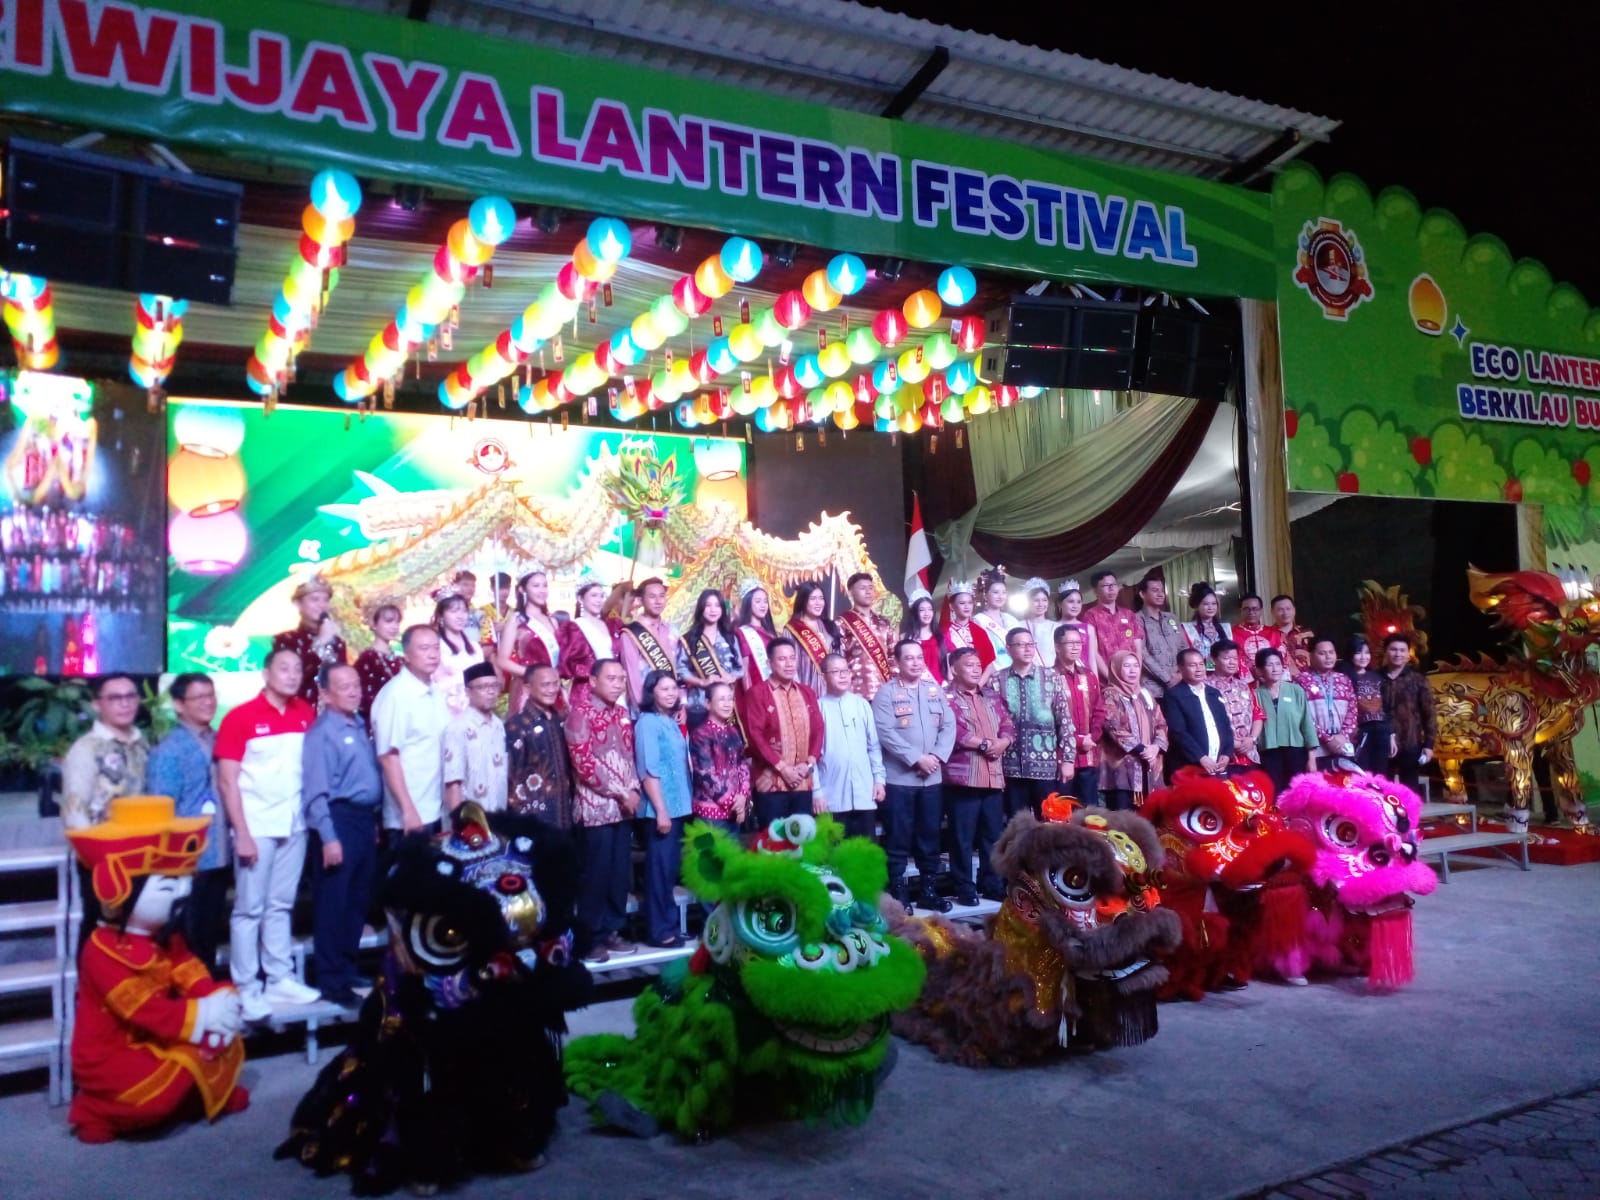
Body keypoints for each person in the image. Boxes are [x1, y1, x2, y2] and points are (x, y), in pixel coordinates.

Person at [215, 646, 319, 1019]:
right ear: (266, 673)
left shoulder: (306, 713)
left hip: (295, 823)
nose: (292, 675)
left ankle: (279, 978)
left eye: (297, 669)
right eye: (284, 668)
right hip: (255, 825)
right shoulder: (240, 718)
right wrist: (241, 832)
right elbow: (227, 781)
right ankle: (246, 986)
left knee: (281, 904)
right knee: (249, 909)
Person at [300, 662, 382, 1009]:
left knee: (356, 900)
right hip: (338, 821)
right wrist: (329, 837)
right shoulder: (322, 733)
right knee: (333, 903)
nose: (353, 691)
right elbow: (315, 792)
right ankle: (331, 980)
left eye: (356, 684)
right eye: (344, 686)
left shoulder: (358, 723)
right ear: (326, 693)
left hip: (363, 820)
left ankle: (348, 969)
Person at [144, 672, 229, 974]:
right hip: (188, 858)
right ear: (179, 705)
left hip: (219, 851)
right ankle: (187, 994)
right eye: (199, 697)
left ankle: (205, 988)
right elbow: (161, 808)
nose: (208, 702)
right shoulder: (170, 749)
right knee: (186, 935)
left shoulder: (218, 738)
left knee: (210, 930)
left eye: (211, 695)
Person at [872, 639, 956, 914]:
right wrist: (916, 758)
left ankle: (928, 891)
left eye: (919, 657)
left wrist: (936, 757)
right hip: (900, 780)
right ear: (897, 662)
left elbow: (949, 725)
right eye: (909, 658)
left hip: (931, 779)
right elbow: (884, 731)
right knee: (898, 837)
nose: (916, 662)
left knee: (929, 836)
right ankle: (899, 894)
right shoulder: (886, 693)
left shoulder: (934, 690)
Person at [565, 659, 641, 963]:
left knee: (618, 874)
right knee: (594, 876)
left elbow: (629, 757)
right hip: (595, 809)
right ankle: (590, 938)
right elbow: (584, 764)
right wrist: (621, 793)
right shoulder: (579, 714)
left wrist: (633, 790)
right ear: (593, 681)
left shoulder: (622, 714)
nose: (618, 684)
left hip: (623, 810)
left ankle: (612, 930)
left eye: (621, 678)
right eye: (611, 678)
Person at [942, 647, 1012, 904]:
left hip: (993, 776)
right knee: (962, 837)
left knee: (993, 835)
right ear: (954, 669)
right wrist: (983, 744)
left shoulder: (991, 695)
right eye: (969, 664)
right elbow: (952, 729)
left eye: (978, 664)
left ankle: (991, 883)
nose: (975, 669)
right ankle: (964, 887)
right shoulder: (945, 697)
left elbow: (1007, 723)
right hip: (964, 778)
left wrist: (1003, 742)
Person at [370, 624, 450, 838]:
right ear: (406, 654)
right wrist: (408, 810)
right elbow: (388, 756)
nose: (432, 654)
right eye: (424, 648)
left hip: (436, 807)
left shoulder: (434, 691)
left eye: (436, 647)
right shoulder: (396, 695)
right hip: (408, 815)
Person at [634, 671, 692, 949]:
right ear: (651, 692)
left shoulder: (669, 720)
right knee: (659, 872)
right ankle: (658, 931)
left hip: (679, 807)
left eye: (673, 688)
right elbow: (648, 770)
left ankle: (670, 925)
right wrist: (661, 810)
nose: (670, 693)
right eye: (664, 689)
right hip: (660, 809)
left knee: (669, 871)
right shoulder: (647, 722)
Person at [741, 636, 825, 825]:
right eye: (782, 659)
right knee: (773, 840)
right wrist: (783, 768)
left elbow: (818, 729)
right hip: (771, 785)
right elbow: (755, 736)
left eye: (792, 658)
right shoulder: (757, 693)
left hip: (803, 781)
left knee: (802, 839)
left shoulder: (807, 692)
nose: (789, 664)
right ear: (769, 663)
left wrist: (809, 763)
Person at [993, 626, 1075, 818]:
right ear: (1009, 648)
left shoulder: (1051, 677)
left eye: (1031, 644)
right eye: (1021, 645)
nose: (1028, 649)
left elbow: (1065, 720)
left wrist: (1068, 759)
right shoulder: (997, 680)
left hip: (1045, 767)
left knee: (1049, 822)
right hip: (1010, 767)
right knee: (1017, 823)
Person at [816, 653, 886, 840]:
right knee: (835, 851)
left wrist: (879, 779)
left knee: (865, 850)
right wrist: (816, 791)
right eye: (836, 672)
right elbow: (812, 756)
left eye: (845, 671)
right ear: (824, 677)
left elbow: (873, 747)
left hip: (864, 792)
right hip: (831, 795)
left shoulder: (862, 705)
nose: (843, 676)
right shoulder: (817, 708)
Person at [505, 664, 575, 826]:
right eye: (545, 685)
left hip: (564, 814)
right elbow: (511, 777)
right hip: (534, 820)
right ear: (528, 688)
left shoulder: (560, 720)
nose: (552, 690)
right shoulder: (517, 726)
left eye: (555, 684)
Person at [1099, 648, 1167, 810]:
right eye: (1127, 666)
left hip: (1149, 765)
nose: (1132, 670)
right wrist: (1142, 749)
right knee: (1123, 820)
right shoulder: (1110, 695)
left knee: (1151, 817)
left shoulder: (1146, 695)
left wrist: (1155, 747)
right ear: (1116, 668)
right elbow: (1112, 726)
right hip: (1122, 770)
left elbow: (1161, 724)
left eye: (1136, 666)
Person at [442, 661, 508, 814]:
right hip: (472, 819)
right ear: (468, 691)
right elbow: (453, 783)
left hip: (498, 816)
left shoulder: (499, 726)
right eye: (483, 687)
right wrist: (460, 822)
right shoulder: (457, 728)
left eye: (494, 686)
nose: (491, 692)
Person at [272, 576, 348, 708]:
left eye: (325, 600)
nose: (321, 605)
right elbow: (292, 678)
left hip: (333, 714)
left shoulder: (337, 642)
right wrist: (320, 642)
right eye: (314, 599)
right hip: (299, 711)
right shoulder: (286, 640)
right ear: (298, 604)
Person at [1252, 648, 1318, 795]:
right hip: (1268, 752)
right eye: (1269, 665)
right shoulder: (1254, 694)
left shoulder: (1296, 690)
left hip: (1296, 751)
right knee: (1274, 792)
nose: (1275, 668)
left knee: (1297, 792)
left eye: (1278, 664)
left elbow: (1307, 723)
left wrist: (1312, 758)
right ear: (1260, 670)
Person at [687, 682, 750, 834]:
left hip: (735, 811)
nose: (727, 704)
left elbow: (742, 765)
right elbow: (705, 775)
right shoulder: (701, 734)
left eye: (730, 699)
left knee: (733, 850)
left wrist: (743, 796)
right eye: (722, 699)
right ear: (708, 703)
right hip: (710, 813)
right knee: (710, 850)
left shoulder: (733, 731)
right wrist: (734, 804)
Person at [1161, 648, 1233, 778]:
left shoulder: (1213, 693)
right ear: (1181, 668)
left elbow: (1226, 726)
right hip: (1189, 766)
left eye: (1201, 664)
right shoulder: (1173, 695)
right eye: (1192, 665)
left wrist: (1227, 753)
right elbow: (1177, 732)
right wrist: (1200, 757)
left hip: (1218, 764)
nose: (1199, 669)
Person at [1054, 625, 1105, 808]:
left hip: (1088, 755)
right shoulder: (1049, 677)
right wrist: (1078, 740)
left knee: (1090, 812)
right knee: (1061, 812)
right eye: (1070, 643)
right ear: (1057, 646)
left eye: (1079, 642)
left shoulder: (1089, 675)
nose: (1076, 647)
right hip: (1061, 758)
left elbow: (1099, 710)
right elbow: (1049, 721)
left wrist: (1092, 737)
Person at [497, 569, 560, 713]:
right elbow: (502, 660)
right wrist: (534, 675)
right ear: (522, 589)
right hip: (527, 687)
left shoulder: (553, 621)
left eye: (544, 585)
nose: (542, 590)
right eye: (536, 586)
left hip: (552, 687)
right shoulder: (516, 620)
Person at [1382, 633, 1437, 792]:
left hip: (1410, 742)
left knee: (1410, 790)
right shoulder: (1375, 678)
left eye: (1402, 650)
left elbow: (1429, 713)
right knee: (1382, 789)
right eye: (1393, 649)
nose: (1397, 654)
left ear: (1408, 654)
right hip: (1382, 742)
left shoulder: (1418, 680)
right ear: (1386, 651)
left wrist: (1429, 744)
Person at [620, 577, 683, 712]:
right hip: (646, 707)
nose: (658, 601)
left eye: (661, 596)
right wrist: (642, 708)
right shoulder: (631, 632)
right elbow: (632, 675)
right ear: (641, 600)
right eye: (652, 597)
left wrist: (681, 704)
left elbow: (679, 670)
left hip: (672, 706)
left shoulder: (672, 630)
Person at [678, 588, 742, 712]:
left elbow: (740, 669)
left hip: (726, 705)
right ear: (701, 608)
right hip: (698, 704)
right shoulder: (689, 639)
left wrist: (731, 677)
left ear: (722, 609)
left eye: (717, 605)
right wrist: (702, 682)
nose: (713, 610)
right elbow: (680, 670)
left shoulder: (730, 637)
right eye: (708, 605)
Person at [559, 577, 621, 700]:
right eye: (594, 596)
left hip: (614, 687)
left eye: (601, 596)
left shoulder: (611, 625)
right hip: (586, 691)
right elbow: (565, 665)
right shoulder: (573, 628)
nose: (599, 600)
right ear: (580, 598)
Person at [837, 571, 895, 701]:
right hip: (856, 692)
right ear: (851, 592)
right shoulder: (843, 622)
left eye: (870, 588)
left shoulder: (884, 623)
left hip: (885, 692)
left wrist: (895, 686)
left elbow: (893, 656)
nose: (868, 592)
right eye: (862, 588)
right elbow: (839, 657)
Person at [1303, 635, 1358, 769]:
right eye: (1322, 653)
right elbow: (1303, 716)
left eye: (1331, 652)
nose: (1328, 657)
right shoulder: (1301, 680)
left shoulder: (1344, 679)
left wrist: (1343, 736)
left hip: (1342, 745)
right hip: (1316, 749)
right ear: (1311, 656)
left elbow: (1352, 710)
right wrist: (1327, 739)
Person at [1209, 638, 1264, 767]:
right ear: (1214, 660)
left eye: (1234, 658)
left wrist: (1252, 739)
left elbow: (1258, 715)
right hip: (1222, 756)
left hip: (1249, 753)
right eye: (1226, 658)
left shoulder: (1244, 686)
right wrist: (1231, 742)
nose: (1232, 662)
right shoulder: (1206, 687)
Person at [432, 590, 484, 717]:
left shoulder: (475, 647)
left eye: (464, 611)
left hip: (475, 709)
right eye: (454, 611)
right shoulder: (436, 648)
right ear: (441, 616)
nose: (460, 616)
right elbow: (435, 685)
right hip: (446, 711)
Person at [1083, 570, 1142, 681]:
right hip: (1108, 680)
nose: (1111, 588)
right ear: (1095, 591)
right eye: (1106, 585)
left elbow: (1138, 649)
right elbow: (1093, 652)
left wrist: (1136, 674)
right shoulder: (1091, 616)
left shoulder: (1129, 614)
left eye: (1114, 584)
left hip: (1132, 679)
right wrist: (1111, 679)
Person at [1346, 636, 1391, 776]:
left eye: (1366, 652)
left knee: (1381, 771)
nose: (1363, 657)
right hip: (1361, 731)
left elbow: (1387, 706)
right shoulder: (1345, 677)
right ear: (1350, 654)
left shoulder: (1378, 676)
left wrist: (1391, 733)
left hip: (1381, 730)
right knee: (1362, 771)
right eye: (1358, 652)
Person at [1136, 575, 1186, 700]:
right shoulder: (1136, 619)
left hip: (1180, 682)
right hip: (1153, 689)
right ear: (1142, 594)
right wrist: (1168, 679)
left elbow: (1183, 647)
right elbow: (1142, 654)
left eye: (1162, 590)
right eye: (1155, 590)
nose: (1160, 594)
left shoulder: (1171, 618)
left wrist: (1182, 673)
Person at [352, 603, 402, 726]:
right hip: (377, 722)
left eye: (397, 622)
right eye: (389, 621)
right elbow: (363, 698)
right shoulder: (367, 659)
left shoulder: (399, 659)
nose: (394, 626)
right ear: (374, 624)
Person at [786, 579, 839, 694]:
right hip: (806, 691)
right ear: (803, 601)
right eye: (813, 599)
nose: (818, 603)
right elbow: (790, 666)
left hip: (832, 691)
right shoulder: (792, 630)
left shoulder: (830, 626)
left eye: (821, 598)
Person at [942, 578, 998, 684]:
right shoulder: (944, 632)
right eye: (962, 603)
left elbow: (990, 664)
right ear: (952, 606)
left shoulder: (980, 632)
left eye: (970, 603)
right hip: (953, 686)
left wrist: (979, 686)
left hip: (979, 685)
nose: (967, 606)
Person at [733, 580, 777, 699]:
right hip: (756, 690)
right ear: (748, 603)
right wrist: (750, 698)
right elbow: (745, 670)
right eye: (758, 601)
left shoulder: (770, 632)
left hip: (775, 689)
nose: (763, 605)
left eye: (765, 601)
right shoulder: (742, 633)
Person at [972, 570, 1020, 673]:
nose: (1001, 596)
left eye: (1004, 592)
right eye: (996, 592)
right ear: (985, 595)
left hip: (1016, 670)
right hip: (993, 672)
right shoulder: (978, 621)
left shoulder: (1011, 619)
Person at [1181, 583, 1233, 671]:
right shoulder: (1187, 629)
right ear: (1196, 606)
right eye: (1206, 604)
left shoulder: (1226, 628)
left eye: (1214, 603)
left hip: (1224, 673)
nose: (1210, 607)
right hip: (1199, 673)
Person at [1055, 581, 1101, 678]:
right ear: (1059, 604)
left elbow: (1092, 659)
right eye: (1071, 601)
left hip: (1085, 677)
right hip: (1061, 676)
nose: (1075, 606)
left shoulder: (1089, 628)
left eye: (1079, 602)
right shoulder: (1053, 627)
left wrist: (1095, 680)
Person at [900, 587, 945, 684]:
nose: (927, 613)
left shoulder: (940, 637)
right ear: (915, 612)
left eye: (930, 609)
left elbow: (947, 666)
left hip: (939, 686)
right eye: (922, 610)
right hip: (913, 686)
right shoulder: (904, 638)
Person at [1233, 593, 1283, 668]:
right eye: (1246, 609)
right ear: (1240, 611)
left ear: (1261, 611)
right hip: (1243, 674)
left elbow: (1281, 658)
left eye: (1255, 609)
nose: (1251, 612)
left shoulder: (1274, 633)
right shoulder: (1231, 633)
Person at [1019, 578, 1059, 669]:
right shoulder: (1019, 625)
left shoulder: (1055, 627)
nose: (1041, 604)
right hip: (1026, 673)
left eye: (1044, 600)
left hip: (1051, 673)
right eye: (1036, 600)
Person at [1272, 594, 1314, 676]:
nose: (1285, 613)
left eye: (1288, 609)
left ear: (1294, 610)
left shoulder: (1306, 633)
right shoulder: (1268, 635)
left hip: (1308, 678)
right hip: (1280, 680)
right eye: (1280, 610)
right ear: (1273, 612)